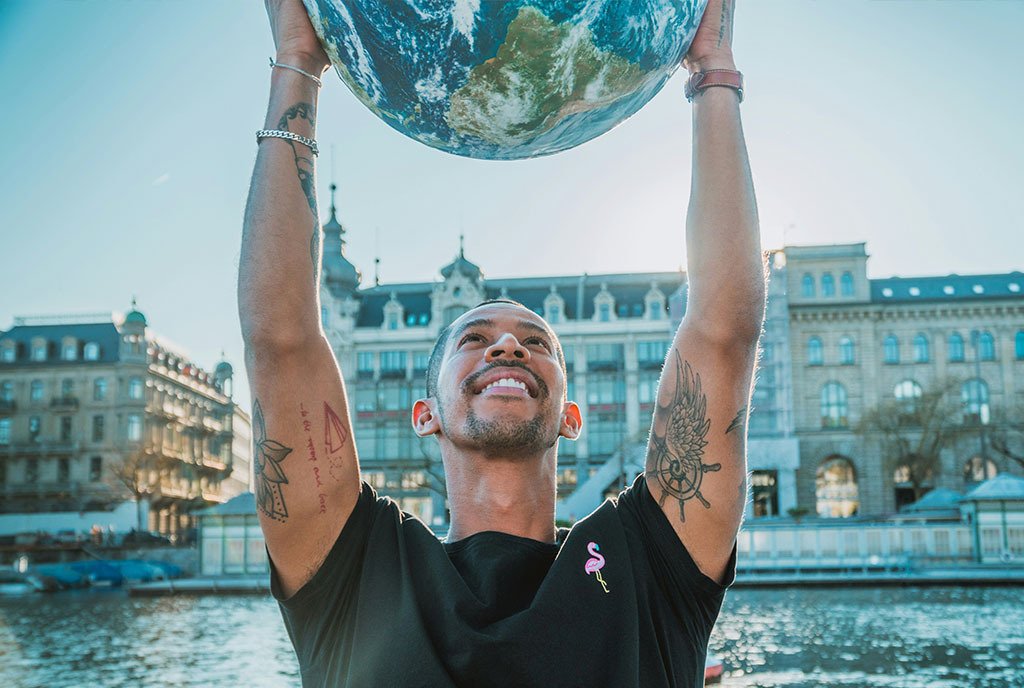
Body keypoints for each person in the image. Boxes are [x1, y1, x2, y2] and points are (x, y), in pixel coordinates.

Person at [240, 0, 764, 685]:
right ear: (423, 411)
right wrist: (297, 66)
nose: (507, 347)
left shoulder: (648, 565)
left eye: (536, 341)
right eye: (476, 337)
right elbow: (280, 342)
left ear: (573, 416)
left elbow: (723, 335)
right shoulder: (358, 567)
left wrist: (715, 74)